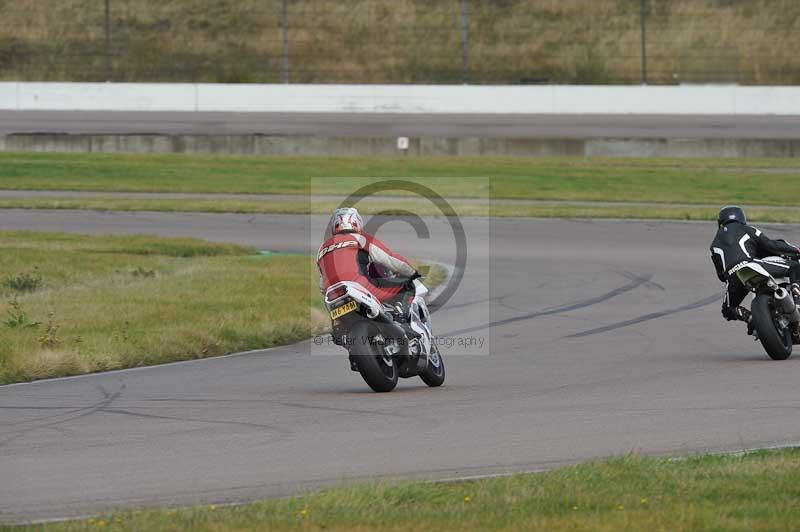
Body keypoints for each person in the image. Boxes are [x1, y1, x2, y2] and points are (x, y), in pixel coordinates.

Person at [318, 207, 420, 319]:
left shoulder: (322, 248)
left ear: (334, 225)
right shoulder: (361, 239)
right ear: (356, 222)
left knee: (337, 322)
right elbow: (390, 259)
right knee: (407, 284)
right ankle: (401, 315)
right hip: (360, 287)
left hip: (333, 295)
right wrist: (412, 272)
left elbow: (322, 285)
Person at [710, 205, 800, 327]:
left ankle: (751, 319)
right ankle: (797, 301)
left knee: (727, 310)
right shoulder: (747, 229)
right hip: (751, 264)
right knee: (794, 267)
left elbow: (721, 276)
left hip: (734, 277)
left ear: (720, 222)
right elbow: (770, 245)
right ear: (741, 218)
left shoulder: (714, 245)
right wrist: (796, 250)